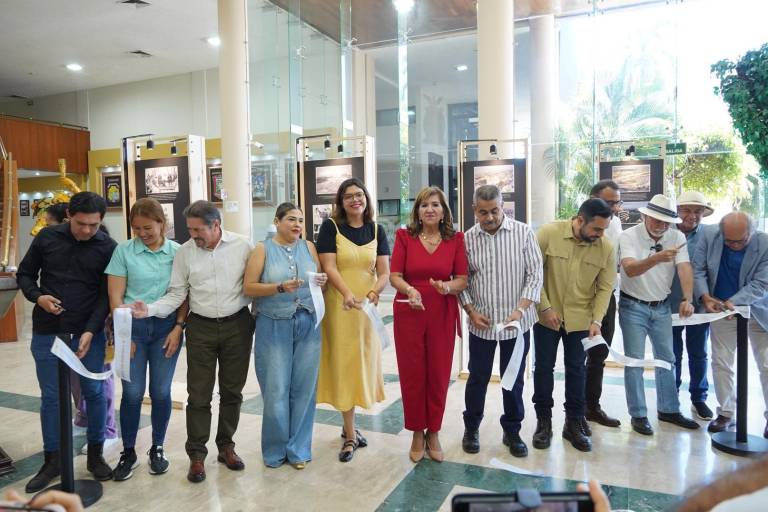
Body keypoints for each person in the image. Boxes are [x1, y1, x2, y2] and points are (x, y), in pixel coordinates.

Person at [126, 200, 254, 483]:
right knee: (199, 394)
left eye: (198, 230)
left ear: (216, 225)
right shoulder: (185, 252)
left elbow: (255, 284)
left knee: (233, 391)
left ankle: (226, 446)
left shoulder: (244, 246)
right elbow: (176, 293)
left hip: (237, 325)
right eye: (190, 229)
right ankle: (197, 455)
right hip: (201, 328)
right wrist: (149, 309)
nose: (193, 235)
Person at [17, 192, 117, 492]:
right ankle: (53, 461)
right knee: (51, 397)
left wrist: (90, 330)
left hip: (90, 332)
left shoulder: (108, 246)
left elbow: (105, 295)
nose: (87, 230)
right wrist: (38, 297)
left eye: (94, 225)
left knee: (94, 393)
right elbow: (25, 274)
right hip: (48, 329)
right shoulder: (47, 237)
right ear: (69, 215)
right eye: (81, 224)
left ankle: (96, 455)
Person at [104, 198, 186, 481]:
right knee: (133, 393)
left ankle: (157, 447)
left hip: (166, 329)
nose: (142, 233)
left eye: (147, 227)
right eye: (136, 228)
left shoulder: (178, 252)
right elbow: (115, 297)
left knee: (161, 392)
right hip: (133, 329)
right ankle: (128, 452)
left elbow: (182, 295)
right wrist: (123, 335)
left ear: (162, 223)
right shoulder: (123, 251)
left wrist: (178, 328)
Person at [458, 185, 543, 458]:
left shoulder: (523, 233)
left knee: (514, 380)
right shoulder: (467, 240)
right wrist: (470, 310)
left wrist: (519, 311)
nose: (490, 217)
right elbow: (463, 281)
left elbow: (535, 276)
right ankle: (471, 428)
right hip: (481, 325)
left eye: (495, 210)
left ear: (503, 205)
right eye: (483, 213)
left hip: (516, 326)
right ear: (475, 210)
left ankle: (512, 430)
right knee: (477, 379)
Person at [244, 203, 327, 469]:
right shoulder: (262, 249)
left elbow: (316, 281)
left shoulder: (309, 247)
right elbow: (249, 288)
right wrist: (279, 287)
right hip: (273, 324)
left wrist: (320, 282)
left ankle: (299, 449)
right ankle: (275, 450)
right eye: (291, 219)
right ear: (277, 221)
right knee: (276, 388)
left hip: (308, 323)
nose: (297, 225)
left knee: (304, 388)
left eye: (301, 221)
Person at [390, 186, 468, 463]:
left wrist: (446, 287)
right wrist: (410, 290)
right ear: (418, 211)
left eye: (435, 204)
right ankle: (416, 431)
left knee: (437, 373)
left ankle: (433, 431)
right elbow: (395, 275)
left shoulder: (455, 239)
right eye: (424, 205)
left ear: (444, 210)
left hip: (442, 310)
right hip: (410, 309)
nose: (430, 209)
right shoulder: (404, 237)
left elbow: (462, 278)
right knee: (412, 373)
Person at [316, 178, 390, 463]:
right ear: (341, 202)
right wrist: (347, 293)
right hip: (341, 307)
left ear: (366, 199)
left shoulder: (376, 229)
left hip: (366, 310)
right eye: (348, 197)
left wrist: (374, 291)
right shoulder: (330, 227)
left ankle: (351, 426)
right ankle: (349, 434)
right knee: (344, 365)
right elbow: (329, 266)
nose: (354, 200)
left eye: (359, 195)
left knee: (363, 363)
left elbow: (384, 271)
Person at [533, 198, 615, 453]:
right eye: (597, 229)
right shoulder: (548, 234)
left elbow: (605, 287)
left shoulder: (606, 248)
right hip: (547, 316)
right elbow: (533, 273)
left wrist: (596, 320)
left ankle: (573, 422)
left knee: (577, 370)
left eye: (604, 230)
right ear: (580, 220)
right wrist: (544, 308)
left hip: (581, 320)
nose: (600, 235)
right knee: (544, 368)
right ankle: (543, 422)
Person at [618, 194, 699, 435]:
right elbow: (630, 269)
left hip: (662, 307)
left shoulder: (677, 236)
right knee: (635, 361)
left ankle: (669, 409)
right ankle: (638, 414)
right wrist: (657, 258)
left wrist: (687, 298)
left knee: (667, 358)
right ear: (645, 216)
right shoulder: (628, 236)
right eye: (656, 220)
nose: (661, 226)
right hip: (633, 306)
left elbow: (684, 267)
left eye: (665, 222)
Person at [692, 212, 768, 437]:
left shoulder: (764, 243)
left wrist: (732, 303)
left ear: (751, 233)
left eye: (740, 241)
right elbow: (698, 270)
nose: (734, 245)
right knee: (721, 361)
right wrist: (705, 297)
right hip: (718, 310)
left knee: (766, 364)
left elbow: (761, 284)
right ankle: (726, 412)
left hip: (757, 310)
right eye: (729, 241)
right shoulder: (709, 235)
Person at [669, 190, 715, 420]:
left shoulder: (710, 235)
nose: (692, 215)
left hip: (699, 306)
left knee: (698, 353)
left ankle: (699, 398)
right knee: (672, 353)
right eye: (687, 210)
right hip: (669, 305)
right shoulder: (665, 233)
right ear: (677, 211)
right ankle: (672, 396)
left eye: (697, 211)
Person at [585, 180, 623, 427]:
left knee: (599, 356)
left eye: (617, 202)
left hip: (607, 297)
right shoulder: (581, 223)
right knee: (577, 360)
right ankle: (576, 412)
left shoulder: (616, 224)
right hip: (581, 300)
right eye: (609, 203)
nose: (615, 208)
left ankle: (592, 407)